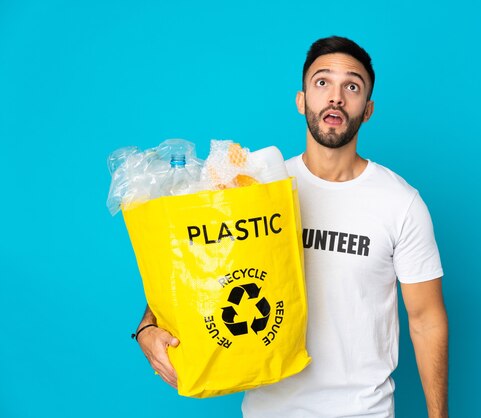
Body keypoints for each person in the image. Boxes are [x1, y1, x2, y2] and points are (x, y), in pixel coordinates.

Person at [134, 36, 448, 418]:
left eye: (351, 86)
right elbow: (197, 275)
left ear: (367, 110)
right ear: (301, 101)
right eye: (322, 82)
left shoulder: (401, 203)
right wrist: (146, 327)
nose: (335, 97)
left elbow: (426, 319)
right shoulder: (257, 189)